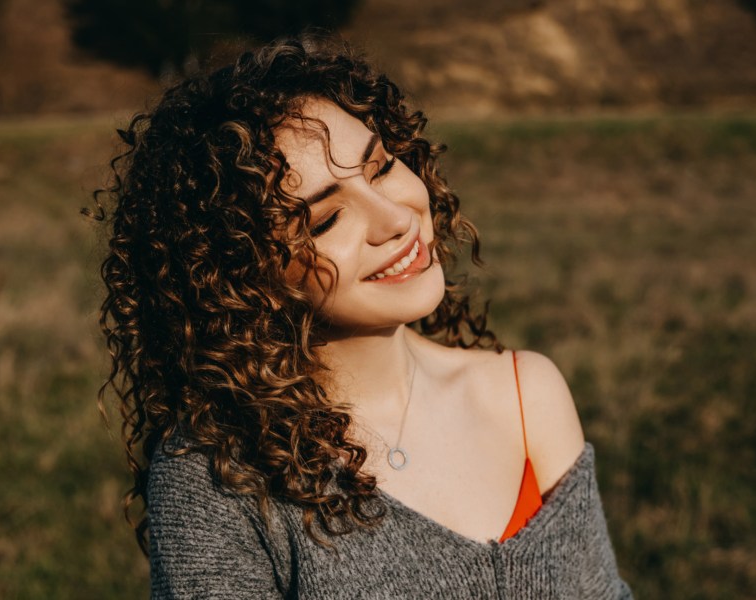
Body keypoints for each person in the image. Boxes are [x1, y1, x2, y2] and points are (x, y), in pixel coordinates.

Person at [92, 34, 633, 598]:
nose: (396, 218)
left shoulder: (528, 396)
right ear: (243, 277)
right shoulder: (218, 477)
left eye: (379, 168)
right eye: (325, 220)